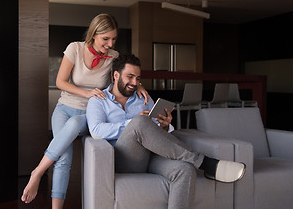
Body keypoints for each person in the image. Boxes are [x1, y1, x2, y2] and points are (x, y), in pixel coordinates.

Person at [21, 14, 149, 209]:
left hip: (89, 113)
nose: (110, 43)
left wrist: (138, 86)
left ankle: (37, 171)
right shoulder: (75, 48)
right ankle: (41, 181)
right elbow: (60, 82)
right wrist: (87, 93)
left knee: (74, 125)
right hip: (64, 108)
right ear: (94, 34)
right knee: (64, 157)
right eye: (105, 38)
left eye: (113, 39)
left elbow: (122, 77)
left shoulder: (113, 57)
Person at [86, 54, 246, 209]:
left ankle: (198, 163)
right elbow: (96, 130)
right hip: (124, 159)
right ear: (116, 75)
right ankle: (205, 163)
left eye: (138, 78)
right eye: (130, 76)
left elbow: (154, 132)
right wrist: (132, 123)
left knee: (185, 169)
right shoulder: (99, 100)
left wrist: (164, 126)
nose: (135, 82)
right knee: (140, 122)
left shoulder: (144, 99)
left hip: (151, 156)